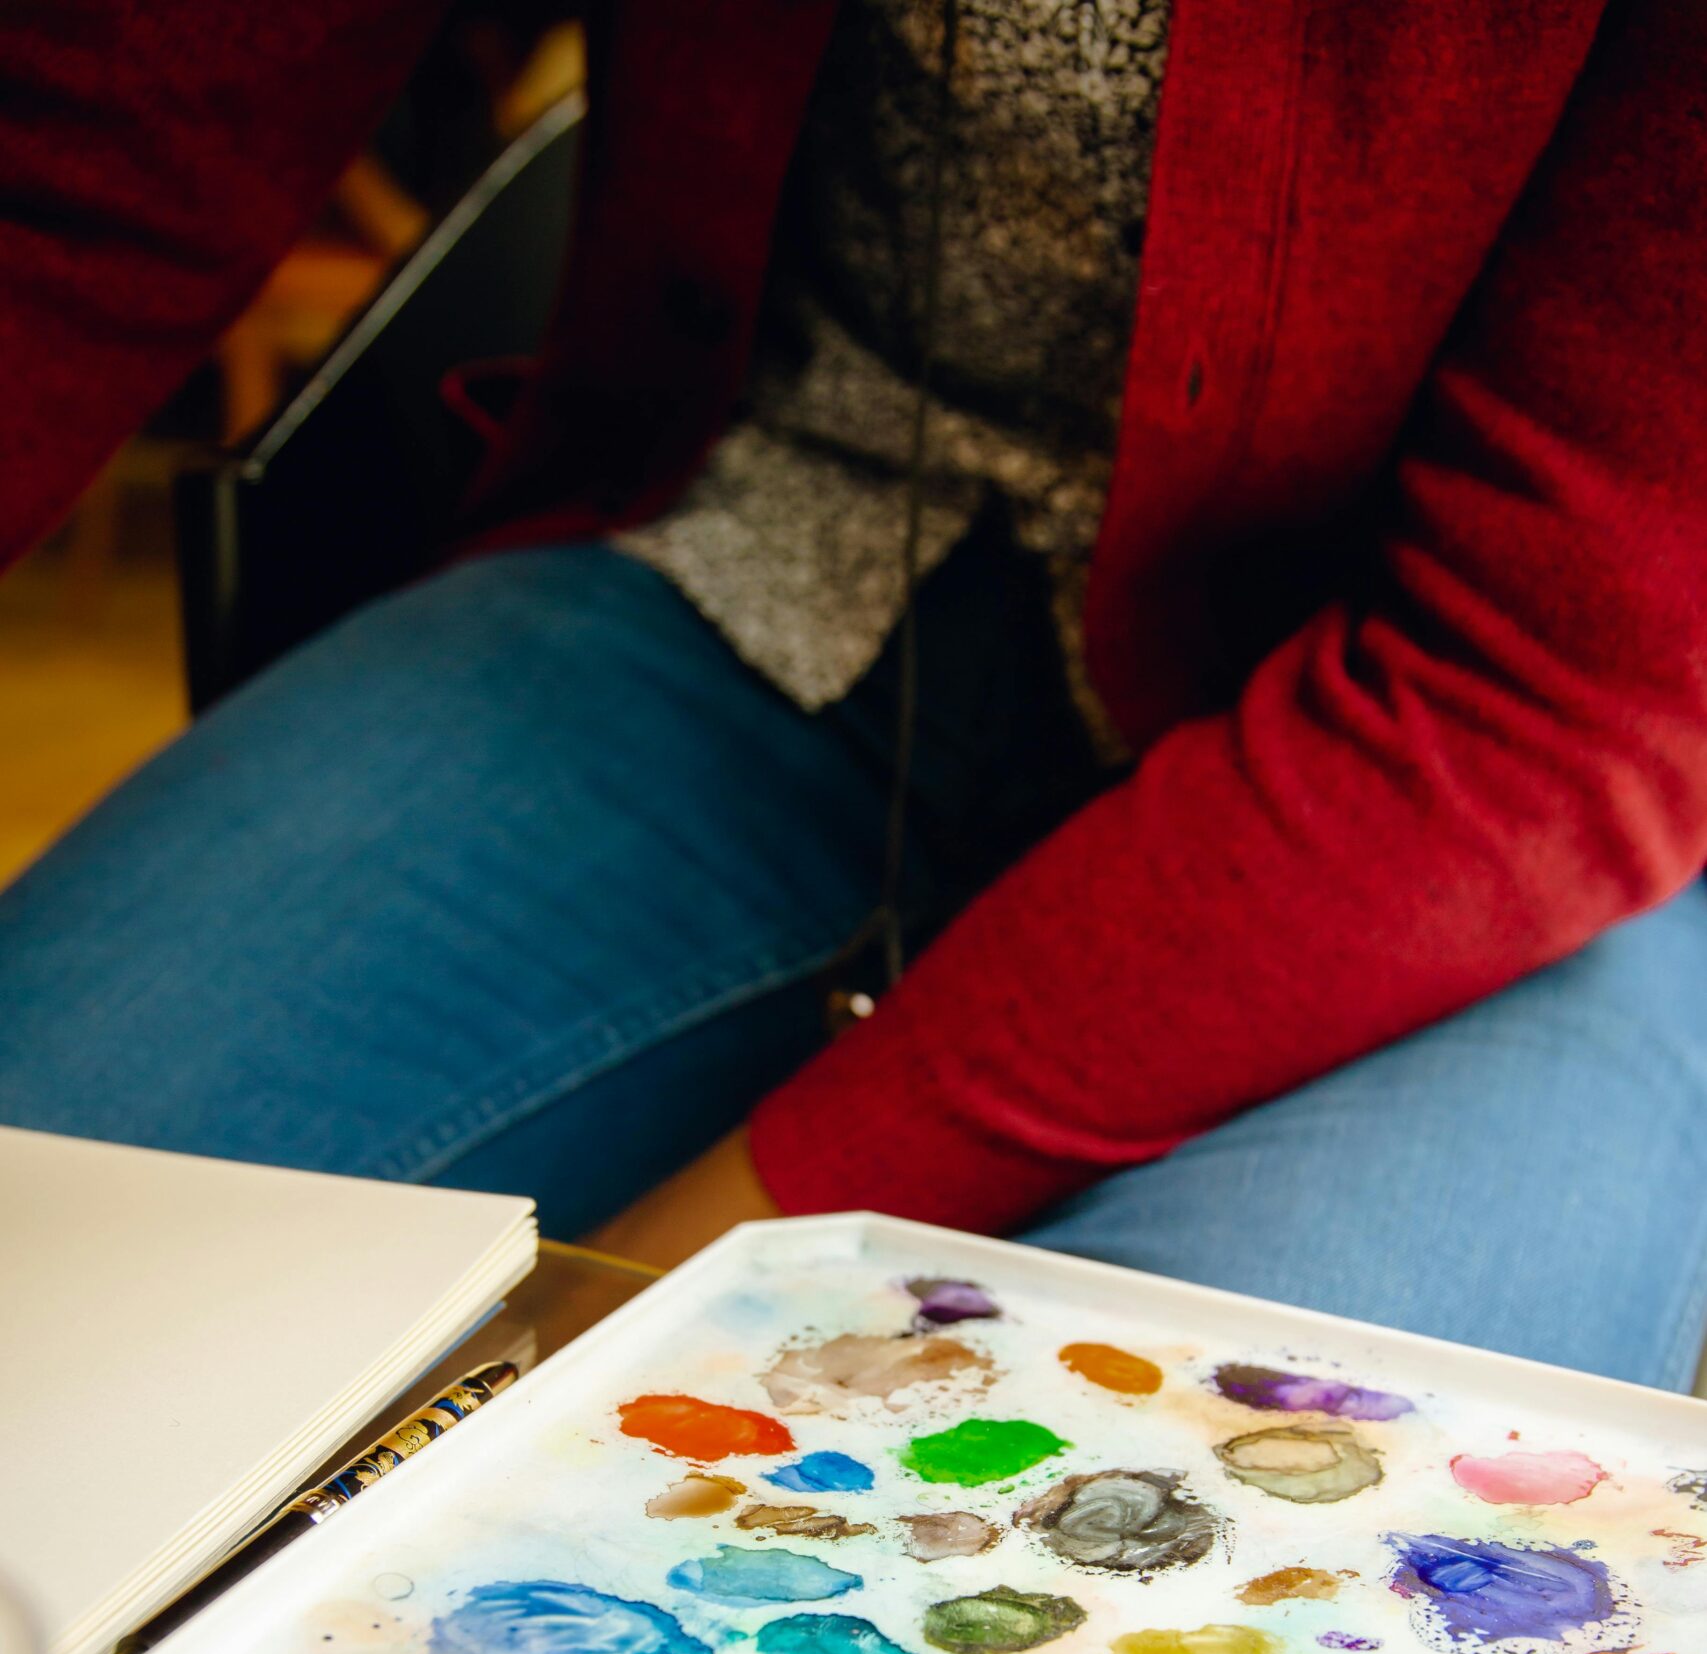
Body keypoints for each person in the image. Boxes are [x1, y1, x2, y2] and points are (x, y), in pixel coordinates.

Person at [2, 0, 1705, 1388]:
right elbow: (96, 163)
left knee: (1130, 1590)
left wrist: (713, 1265)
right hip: (764, 558)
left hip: (1483, 793)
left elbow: (1560, 676)